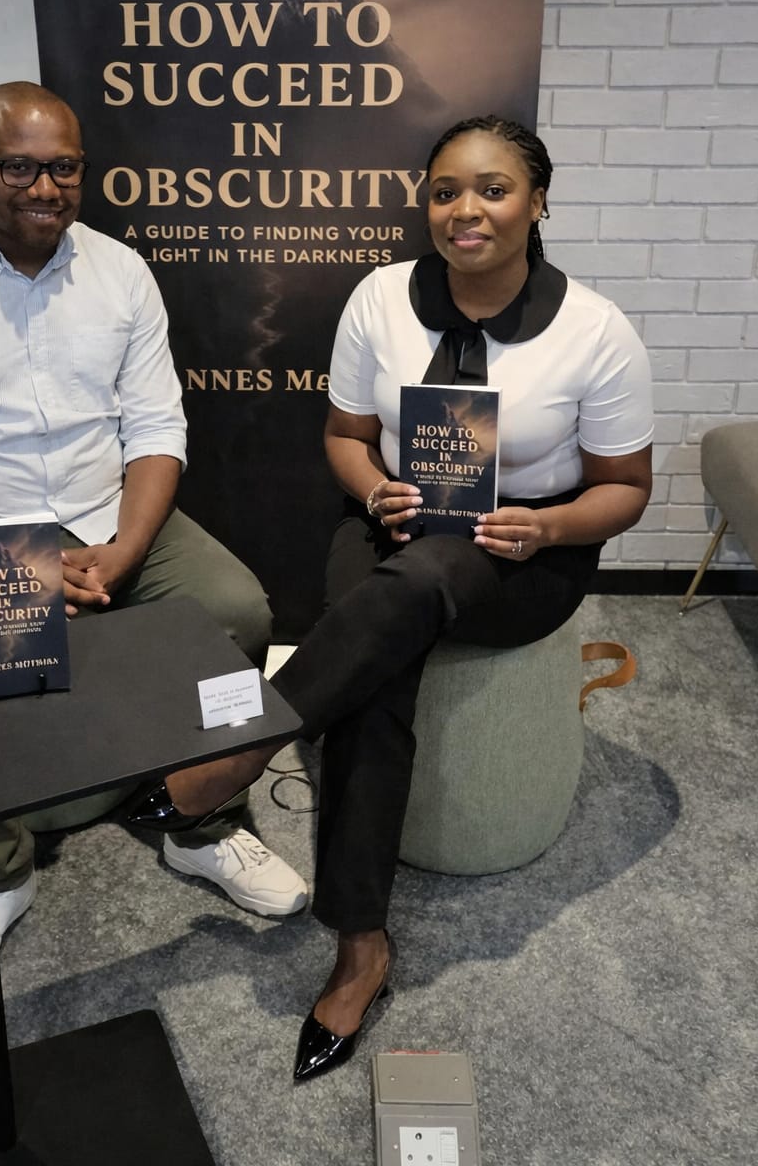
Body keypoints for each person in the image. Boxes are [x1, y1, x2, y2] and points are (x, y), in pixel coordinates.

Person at [129, 115, 654, 1080]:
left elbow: (626, 487)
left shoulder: (595, 331)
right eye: (446, 190)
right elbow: (343, 436)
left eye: (493, 190)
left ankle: (246, 744)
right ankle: (361, 948)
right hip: (391, 522)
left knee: (428, 580)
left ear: (538, 202)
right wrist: (374, 489)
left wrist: (546, 526)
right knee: (378, 660)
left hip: (527, 552)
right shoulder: (380, 298)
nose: (466, 211)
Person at [0, 80, 306, 1002]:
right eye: (18, 166)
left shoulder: (120, 272)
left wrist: (129, 547)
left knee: (237, 611)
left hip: (109, 511)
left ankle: (200, 822)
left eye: (64, 167)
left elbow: (156, 431)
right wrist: (17, 559)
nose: (45, 188)